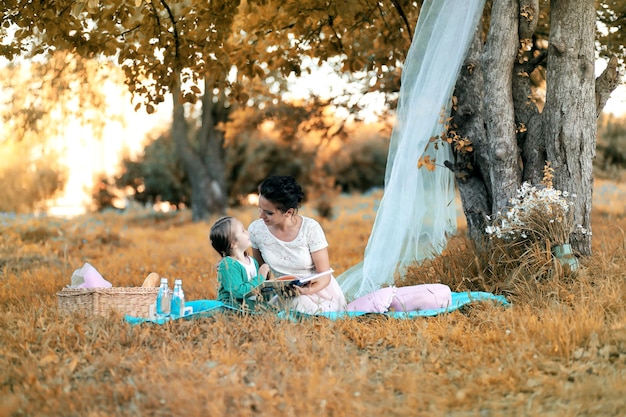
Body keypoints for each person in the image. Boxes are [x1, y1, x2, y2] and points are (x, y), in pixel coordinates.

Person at [249, 175, 347, 314]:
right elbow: (261, 271)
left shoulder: (310, 228)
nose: (261, 216)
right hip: (281, 293)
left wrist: (307, 290)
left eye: (269, 213)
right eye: (260, 209)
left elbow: (324, 275)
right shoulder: (256, 230)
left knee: (297, 304)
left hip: (317, 292)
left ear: (288, 212)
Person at [209, 216, 271, 310]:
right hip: (234, 309)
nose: (247, 232)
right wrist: (260, 277)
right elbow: (238, 292)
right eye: (243, 231)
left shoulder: (253, 261)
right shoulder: (228, 265)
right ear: (233, 243)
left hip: (252, 307)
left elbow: (259, 288)